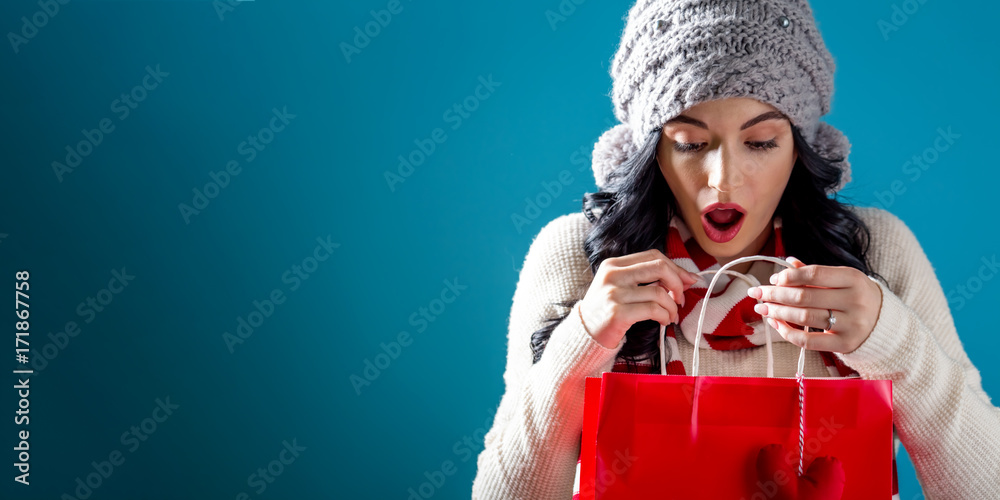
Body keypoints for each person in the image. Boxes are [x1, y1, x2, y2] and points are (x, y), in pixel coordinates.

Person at [471, 0, 1000, 499]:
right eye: (690, 144)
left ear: (800, 148)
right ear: (649, 150)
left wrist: (898, 345)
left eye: (761, 141)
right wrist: (583, 343)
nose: (723, 181)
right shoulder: (580, 257)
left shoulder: (874, 250)